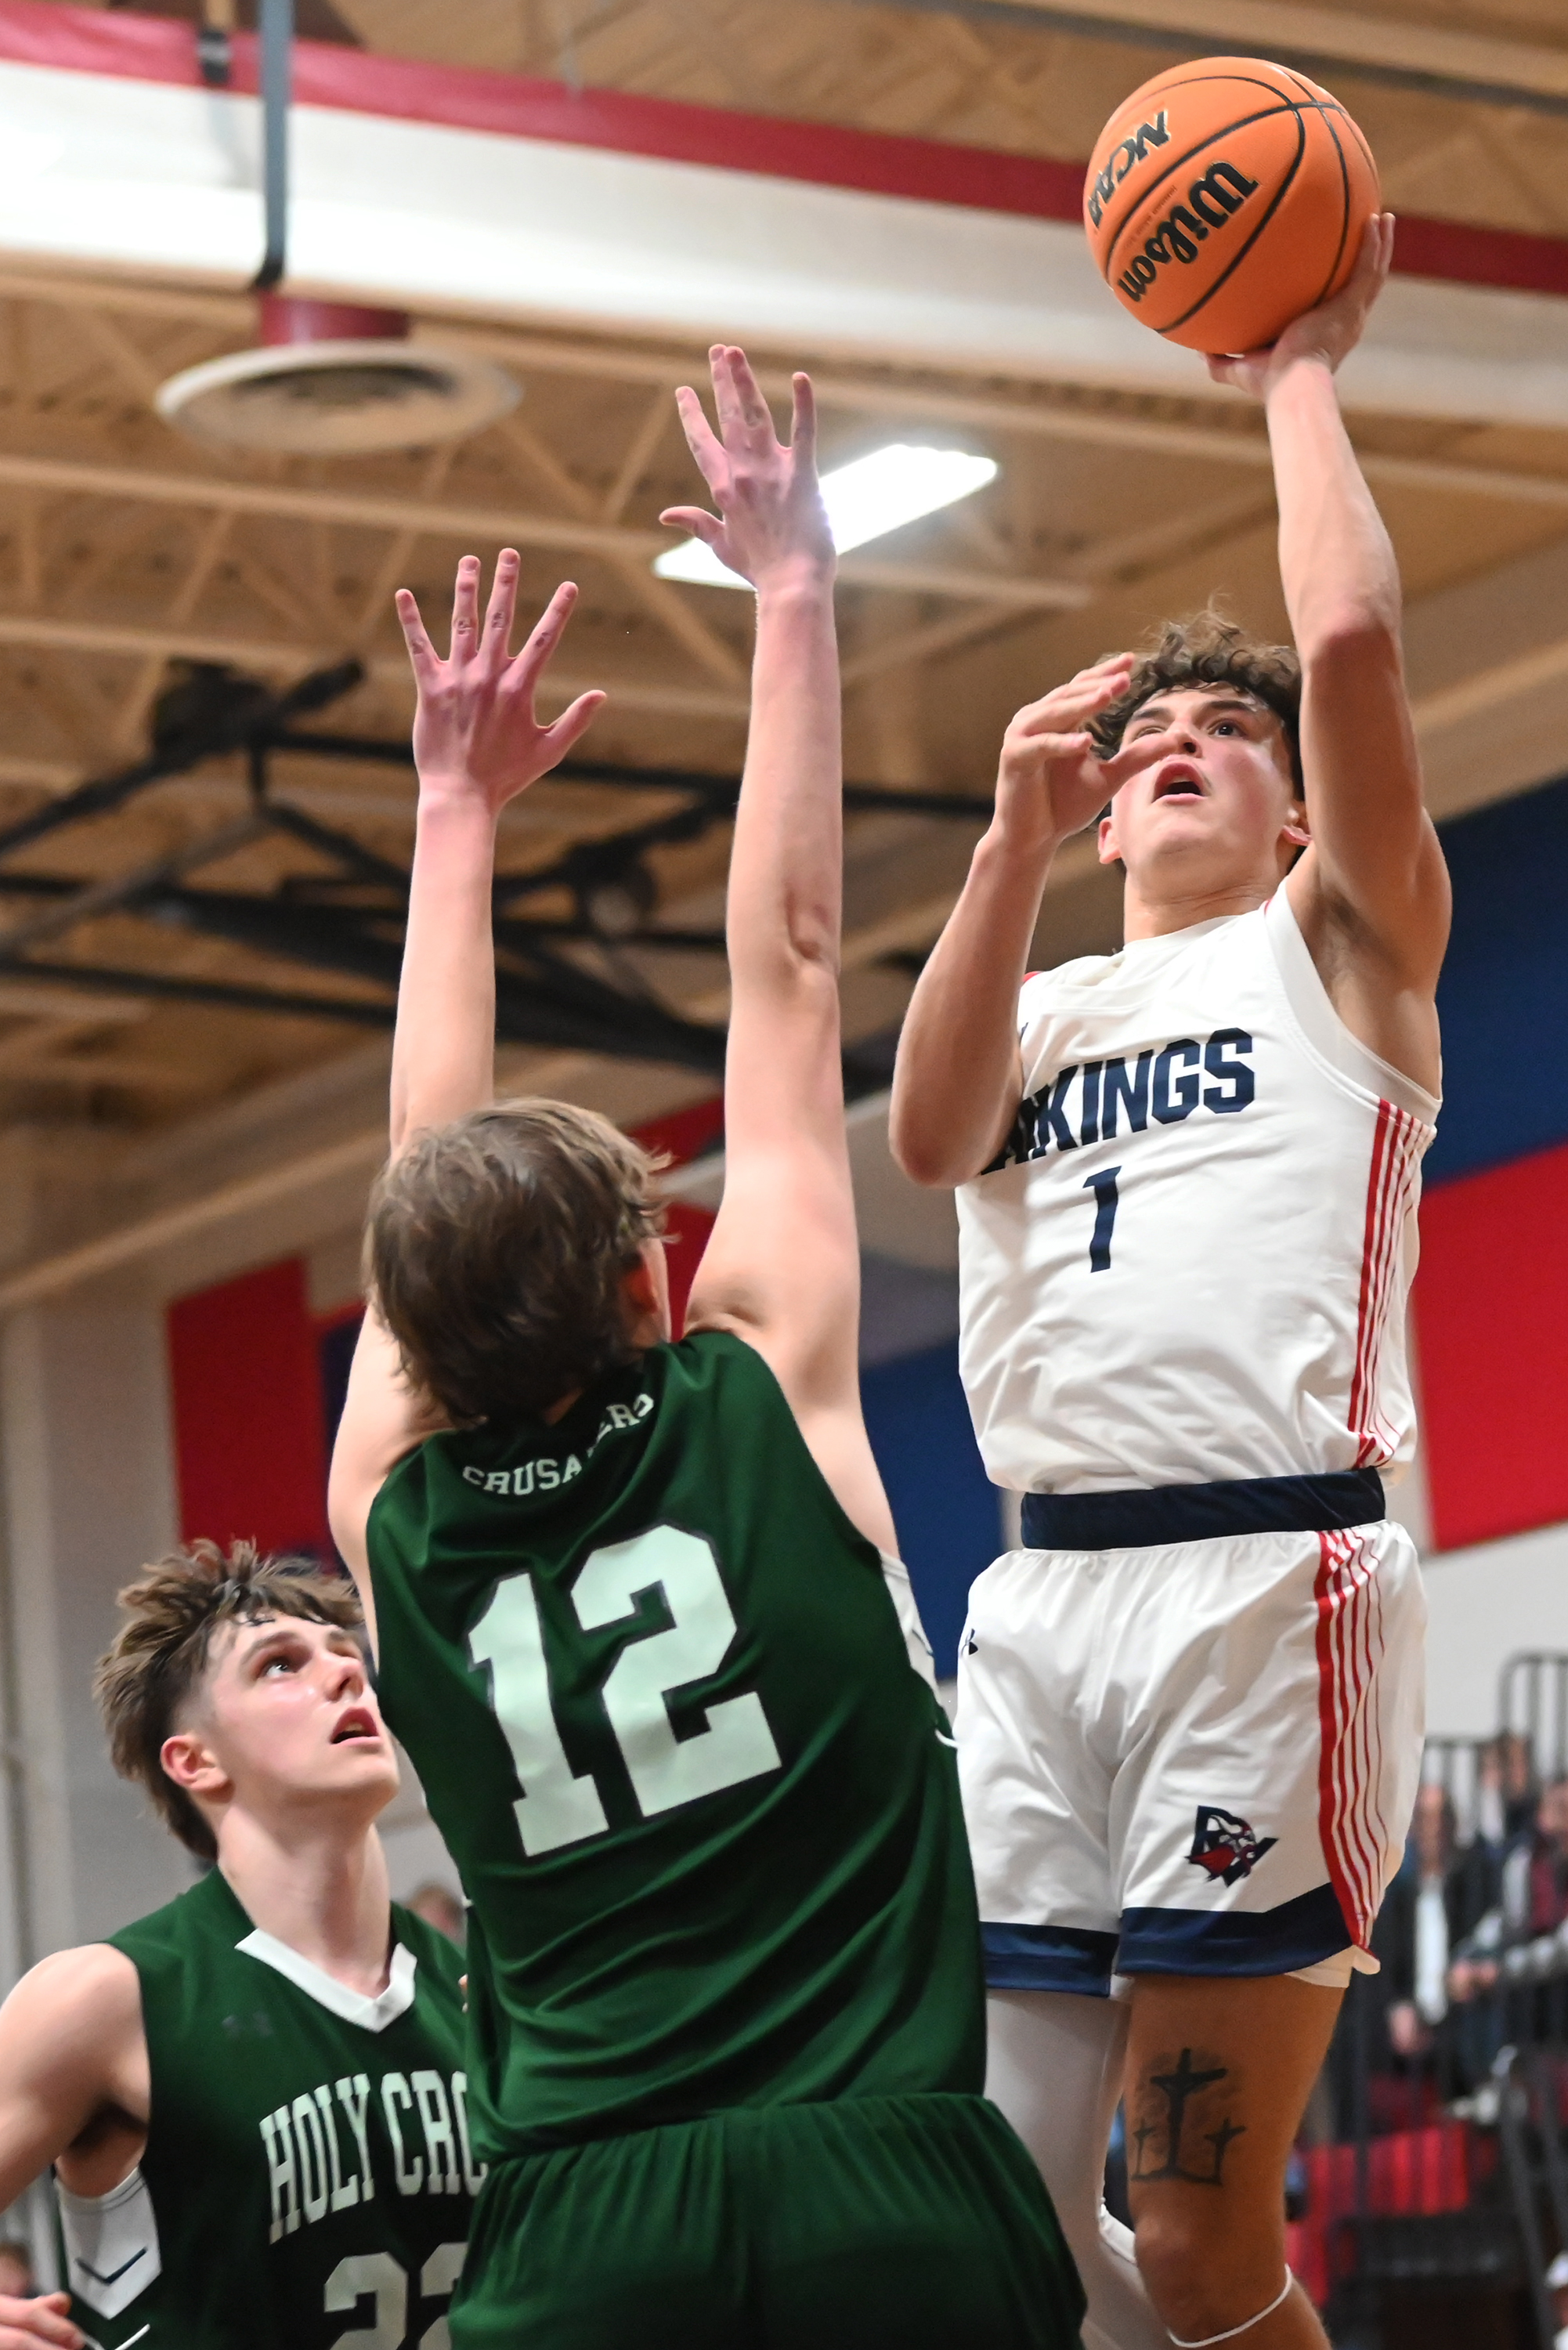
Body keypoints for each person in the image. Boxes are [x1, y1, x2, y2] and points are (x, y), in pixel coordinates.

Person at [327, 346, 1082, 2350]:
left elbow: (424, 1162)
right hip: (880, 2181)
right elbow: (794, 955)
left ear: (410, 1326)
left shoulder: (392, 1515)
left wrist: (450, 813)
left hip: (585, 2235)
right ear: (653, 1281)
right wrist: (795, 591)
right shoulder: (761, 1378)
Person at [890, 214, 1449, 2350]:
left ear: (1300, 802)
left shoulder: (1336, 947)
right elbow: (925, 1143)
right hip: (1039, 1609)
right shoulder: (1024, 997)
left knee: (1203, 2243)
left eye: (1231, 726)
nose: (1184, 742)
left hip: (1262, 1592)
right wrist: (1000, 846)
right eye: (1152, 734)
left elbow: (1359, 650)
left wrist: (1292, 370)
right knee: (1007, 2226)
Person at [0, 1541, 478, 2350]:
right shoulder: (106, 1998)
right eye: (279, 1665)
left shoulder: (482, 1993)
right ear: (194, 1761)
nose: (345, 1674)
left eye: (345, 1653)